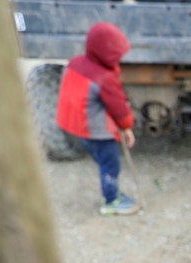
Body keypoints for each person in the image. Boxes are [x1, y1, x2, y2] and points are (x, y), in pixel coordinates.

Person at [54, 21, 138, 216]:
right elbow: (119, 109)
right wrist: (126, 127)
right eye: (116, 56)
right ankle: (111, 200)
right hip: (95, 130)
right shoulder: (104, 78)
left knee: (102, 161)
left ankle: (111, 191)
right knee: (110, 164)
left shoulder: (74, 62)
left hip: (75, 125)